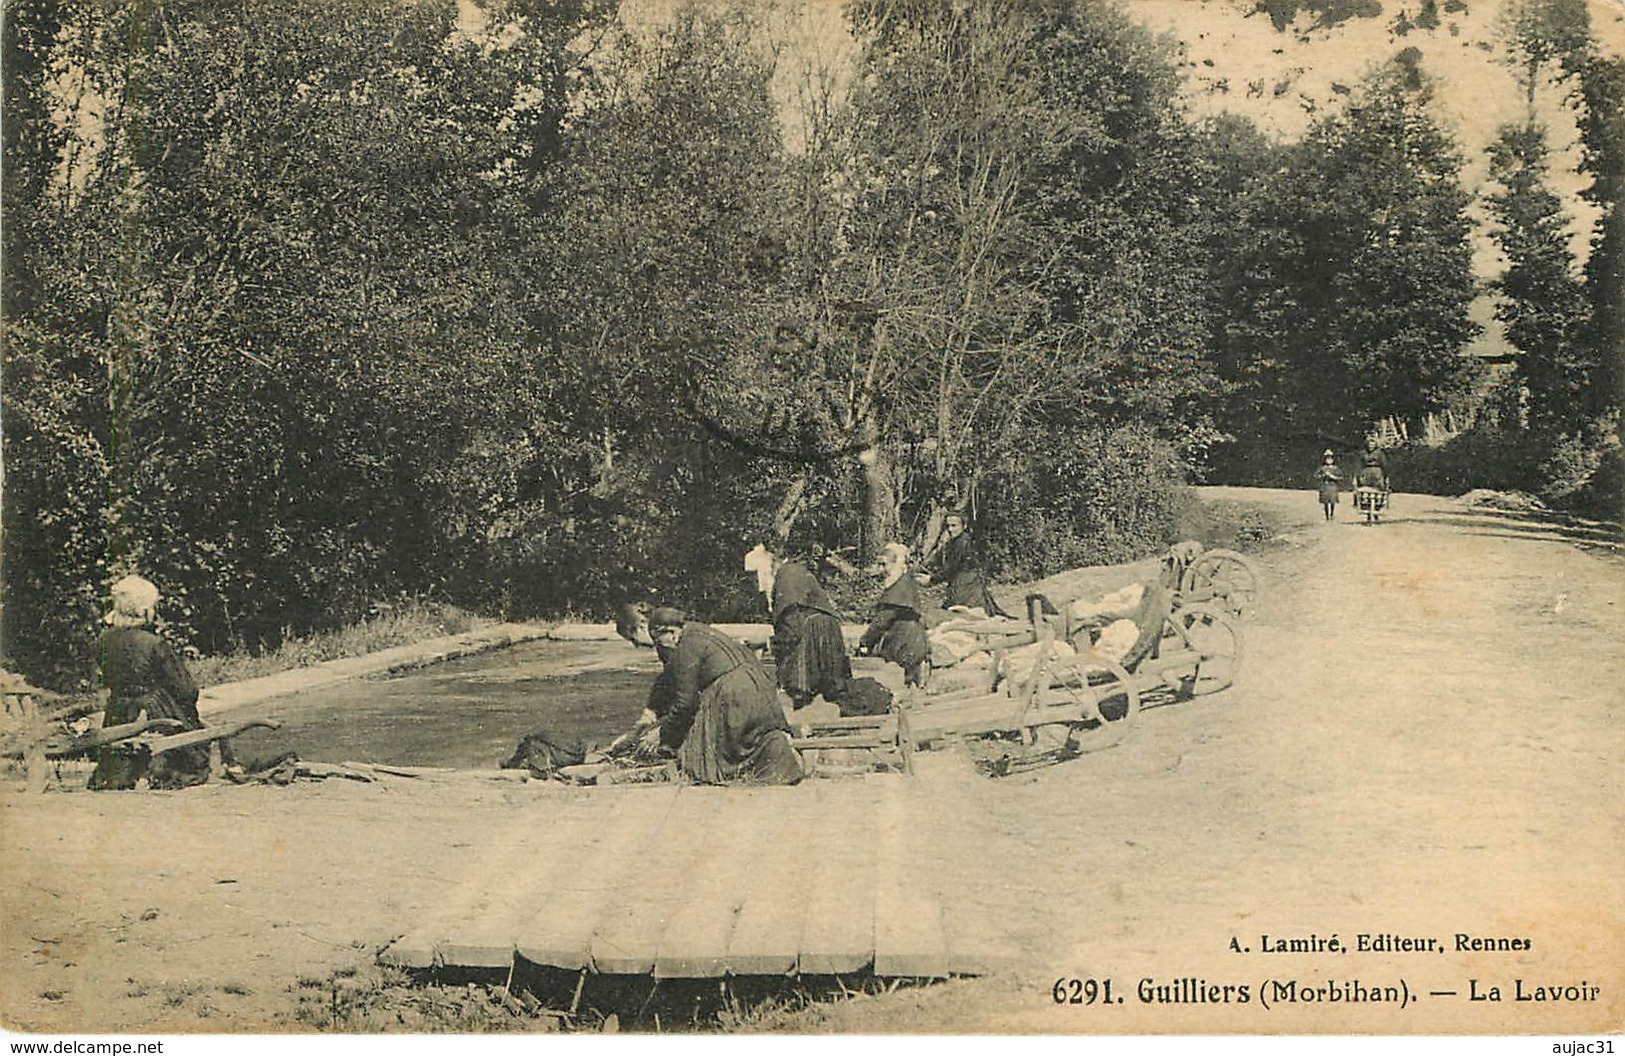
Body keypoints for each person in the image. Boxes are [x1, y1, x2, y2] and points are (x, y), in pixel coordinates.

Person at [635, 608, 803, 785]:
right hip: (760, 687)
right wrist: (652, 711)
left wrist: (662, 733)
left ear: (669, 633)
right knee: (751, 736)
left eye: (658, 641)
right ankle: (778, 748)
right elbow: (669, 677)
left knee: (704, 752)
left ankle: (774, 755)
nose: (659, 647)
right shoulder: (698, 630)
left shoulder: (685, 647)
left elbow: (686, 703)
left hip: (734, 693)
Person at [88, 575, 219, 790]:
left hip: (119, 712)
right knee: (189, 751)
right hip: (155, 710)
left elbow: (103, 679)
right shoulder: (155, 643)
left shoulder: (103, 640)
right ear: (145, 609)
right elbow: (186, 690)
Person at [745, 545, 851, 710]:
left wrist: (765, 644)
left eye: (754, 575)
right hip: (820, 634)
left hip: (815, 637)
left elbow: (793, 631)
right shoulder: (791, 572)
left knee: (799, 689)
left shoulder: (786, 577)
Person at [857, 543, 930, 687]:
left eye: (884, 565)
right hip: (910, 637)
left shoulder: (900, 586)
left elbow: (884, 618)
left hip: (905, 640)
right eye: (879, 565)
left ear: (896, 564)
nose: (882, 569)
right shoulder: (903, 581)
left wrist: (865, 641)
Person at [933, 510, 1007, 616]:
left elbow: (952, 567)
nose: (950, 529)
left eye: (954, 526)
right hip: (961, 585)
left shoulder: (962, 542)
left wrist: (932, 579)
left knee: (962, 615)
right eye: (948, 526)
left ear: (964, 526)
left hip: (967, 587)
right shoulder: (954, 542)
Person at [1315, 449, 1343, 522]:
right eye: (1327, 458)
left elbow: (1341, 477)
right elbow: (1316, 476)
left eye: (1330, 458)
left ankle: (1332, 514)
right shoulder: (1322, 468)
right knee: (1326, 502)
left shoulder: (1336, 468)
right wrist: (1323, 475)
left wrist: (1333, 477)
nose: (1329, 460)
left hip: (1333, 486)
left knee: (1332, 501)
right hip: (1325, 486)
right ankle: (1327, 515)